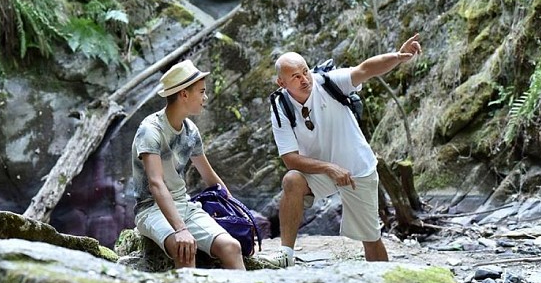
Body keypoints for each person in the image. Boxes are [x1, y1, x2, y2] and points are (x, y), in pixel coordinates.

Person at [270, 34, 422, 266]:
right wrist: (330, 168)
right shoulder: (280, 106)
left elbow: (365, 69)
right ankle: (286, 257)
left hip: (357, 168)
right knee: (292, 180)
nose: (304, 79)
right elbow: (290, 159)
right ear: (282, 83)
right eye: (295, 76)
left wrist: (398, 57)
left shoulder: (329, 82)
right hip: (321, 171)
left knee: (371, 238)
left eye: (305, 71)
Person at [131, 59, 245, 270]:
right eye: (201, 91)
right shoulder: (150, 130)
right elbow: (156, 184)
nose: (205, 97)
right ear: (184, 94)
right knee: (184, 248)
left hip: (184, 205)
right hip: (151, 209)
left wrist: (238, 214)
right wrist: (181, 229)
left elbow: (210, 178)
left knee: (232, 247)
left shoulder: (191, 131)